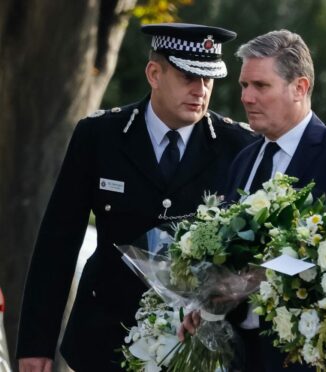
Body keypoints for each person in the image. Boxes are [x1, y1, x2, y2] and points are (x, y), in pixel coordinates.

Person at [17, 23, 257, 372]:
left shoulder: (239, 146)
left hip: (198, 348)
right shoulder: (100, 136)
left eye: (208, 80)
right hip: (104, 340)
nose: (200, 90)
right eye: (188, 77)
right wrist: (36, 345)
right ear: (154, 73)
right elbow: (58, 243)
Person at [180, 29, 326, 372]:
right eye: (245, 86)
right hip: (238, 355)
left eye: (261, 86)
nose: (247, 97)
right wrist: (204, 301)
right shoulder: (245, 159)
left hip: (308, 357)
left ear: (300, 88)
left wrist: (258, 278)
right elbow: (228, 254)